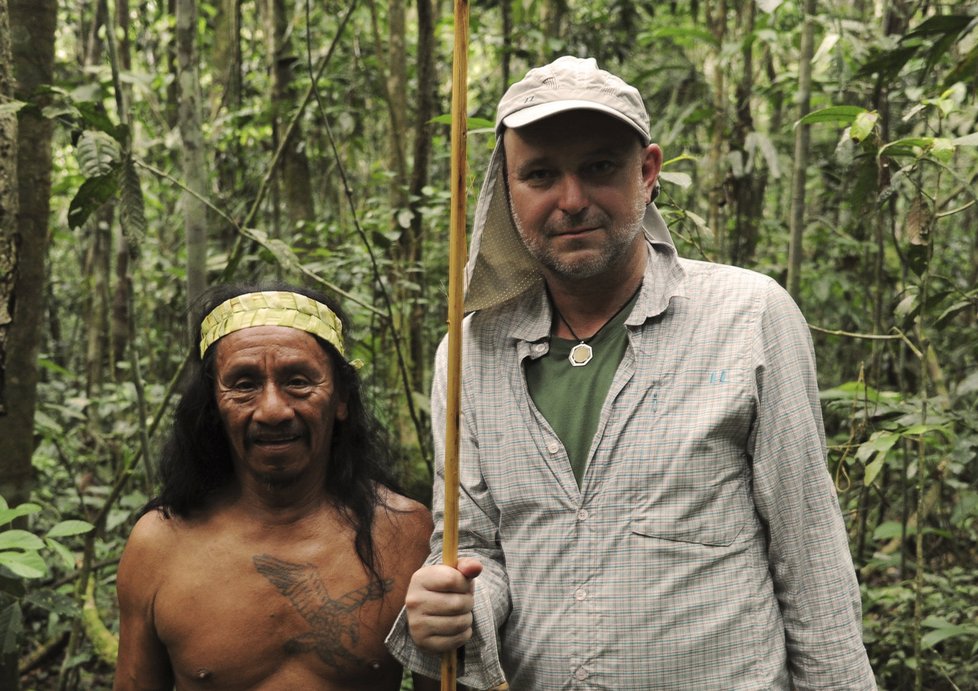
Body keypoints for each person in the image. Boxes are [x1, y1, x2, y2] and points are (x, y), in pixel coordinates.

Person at [385, 56, 876, 689]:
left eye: (598, 168)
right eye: (539, 175)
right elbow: (478, 546)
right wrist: (455, 603)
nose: (571, 201)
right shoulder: (469, 351)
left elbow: (810, 558)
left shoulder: (748, 316)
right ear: (507, 190)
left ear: (647, 172)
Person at [114, 284, 437, 691]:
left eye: (298, 381)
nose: (272, 410)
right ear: (212, 403)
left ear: (341, 399)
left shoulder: (406, 533)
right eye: (245, 384)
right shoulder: (159, 545)